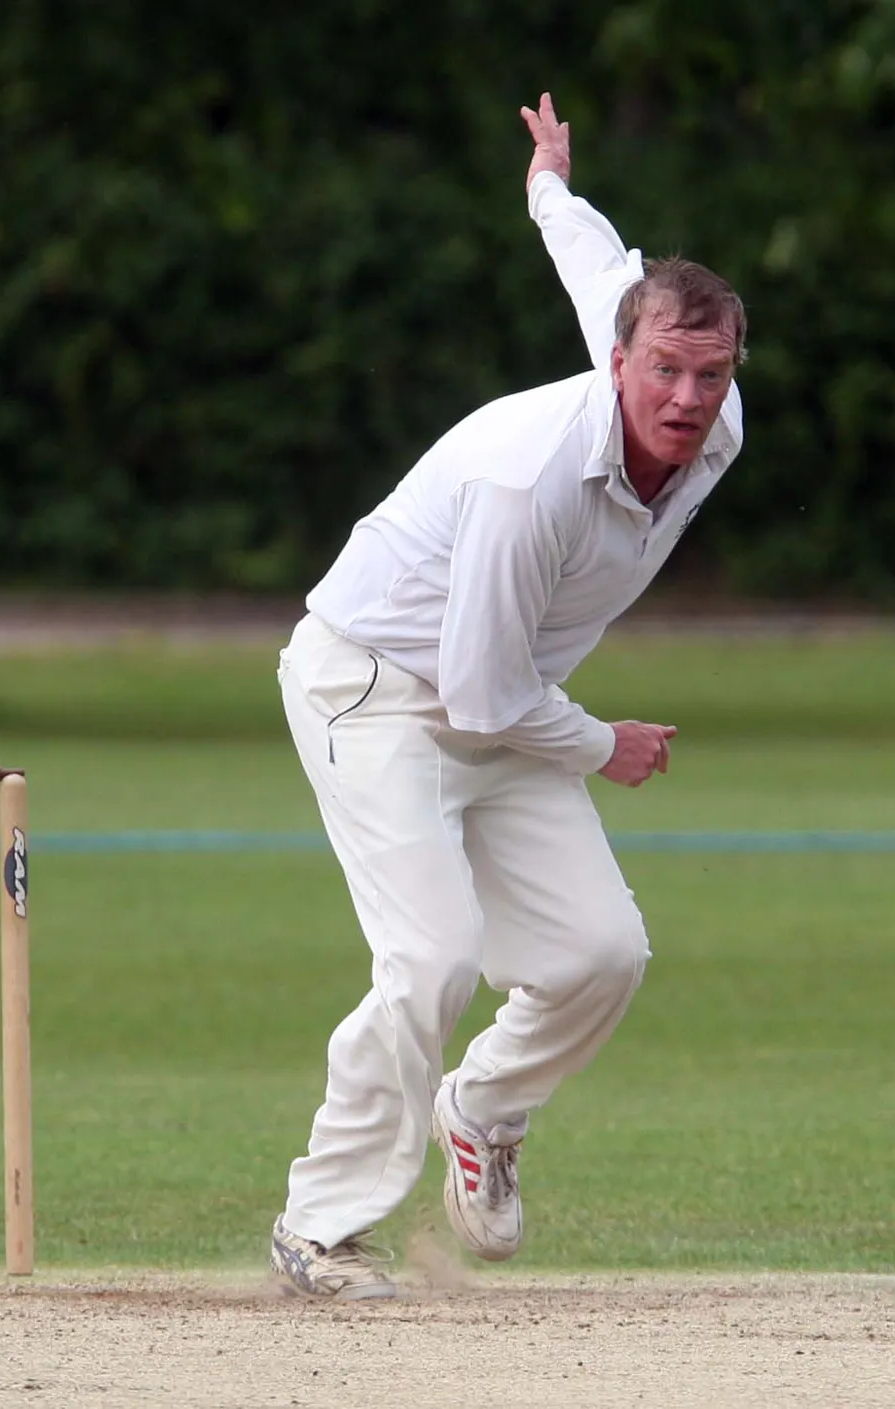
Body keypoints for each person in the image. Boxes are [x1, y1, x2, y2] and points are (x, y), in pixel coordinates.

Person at [268, 92, 746, 1299]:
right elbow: (479, 698)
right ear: (621, 365)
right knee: (432, 957)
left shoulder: (714, 422)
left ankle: (480, 1107)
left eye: (710, 371)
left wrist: (548, 185)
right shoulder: (528, 480)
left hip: (499, 692)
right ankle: (320, 1228)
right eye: (665, 371)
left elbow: (605, 268)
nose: (687, 398)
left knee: (601, 952)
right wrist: (603, 741)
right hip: (369, 685)